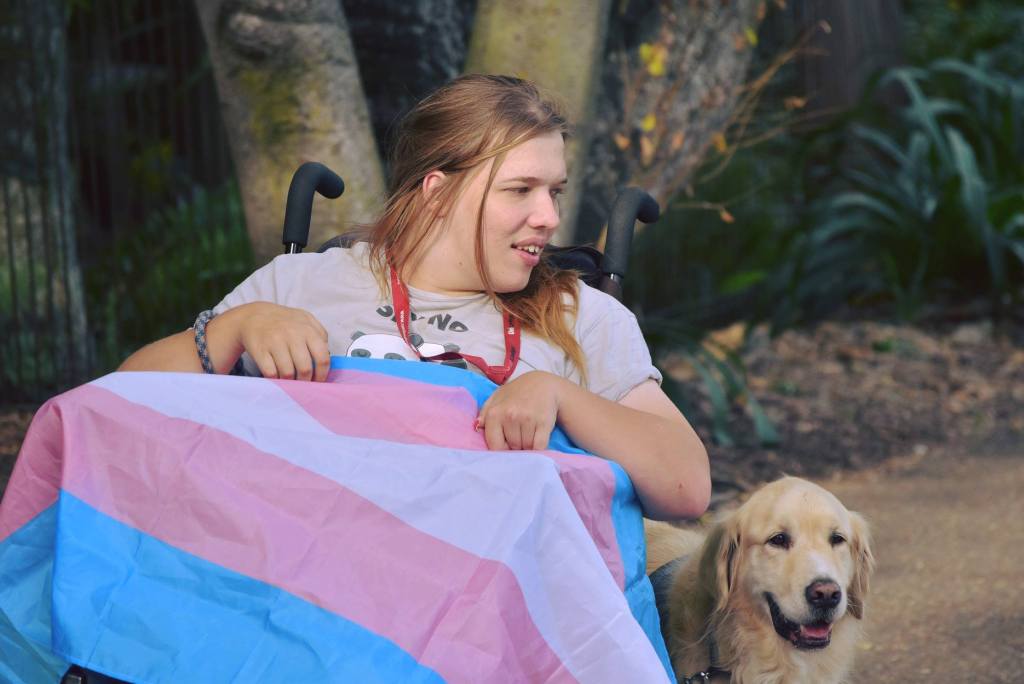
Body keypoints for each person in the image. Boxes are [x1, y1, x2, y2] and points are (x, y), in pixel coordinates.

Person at [119, 74, 710, 521]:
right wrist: (235, 329)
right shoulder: (299, 286)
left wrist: (560, 395)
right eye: (520, 190)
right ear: (437, 193)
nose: (549, 217)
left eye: (554, 191)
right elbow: (118, 412)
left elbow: (687, 486)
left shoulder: (580, 317)